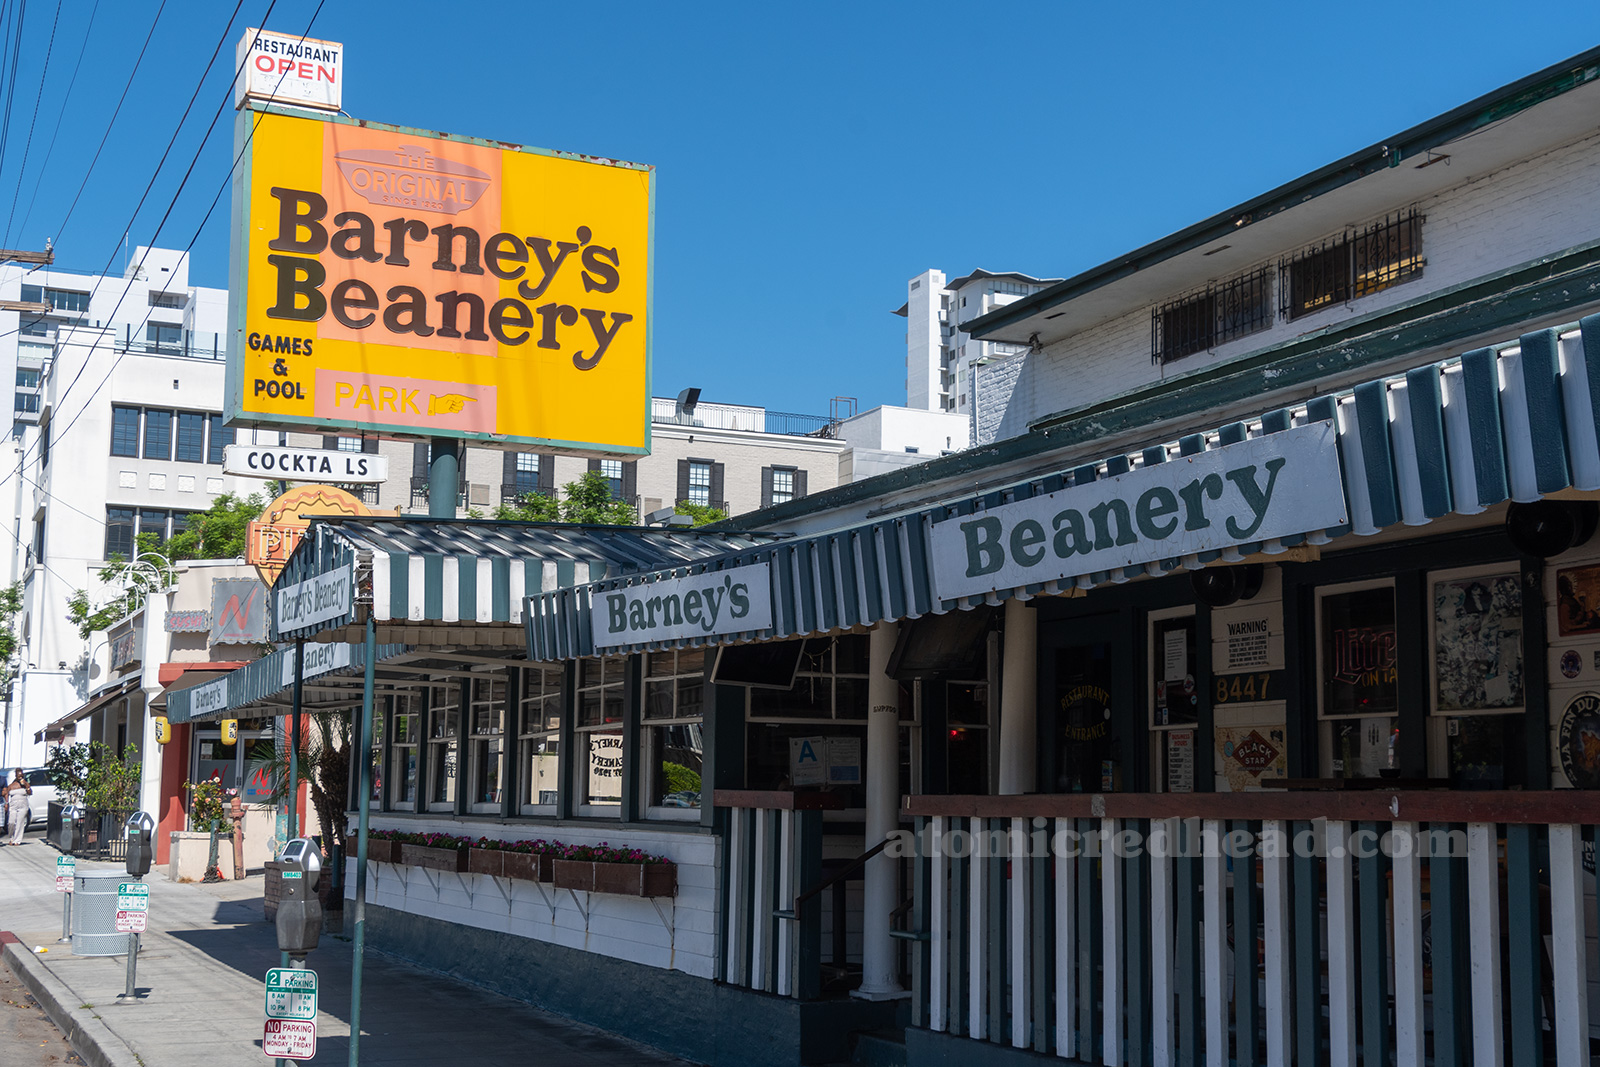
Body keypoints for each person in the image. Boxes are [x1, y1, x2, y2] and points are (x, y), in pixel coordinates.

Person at [5, 769, 30, 846]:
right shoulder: (12, 785)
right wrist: (6, 803)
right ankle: (11, 838)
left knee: (20, 822)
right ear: (16, 776)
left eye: (21, 776)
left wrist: (26, 785)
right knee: (11, 822)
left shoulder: (25, 784)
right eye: (19, 776)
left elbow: (30, 792)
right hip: (13, 805)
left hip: (23, 804)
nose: (20, 777)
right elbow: (6, 793)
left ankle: (17, 840)